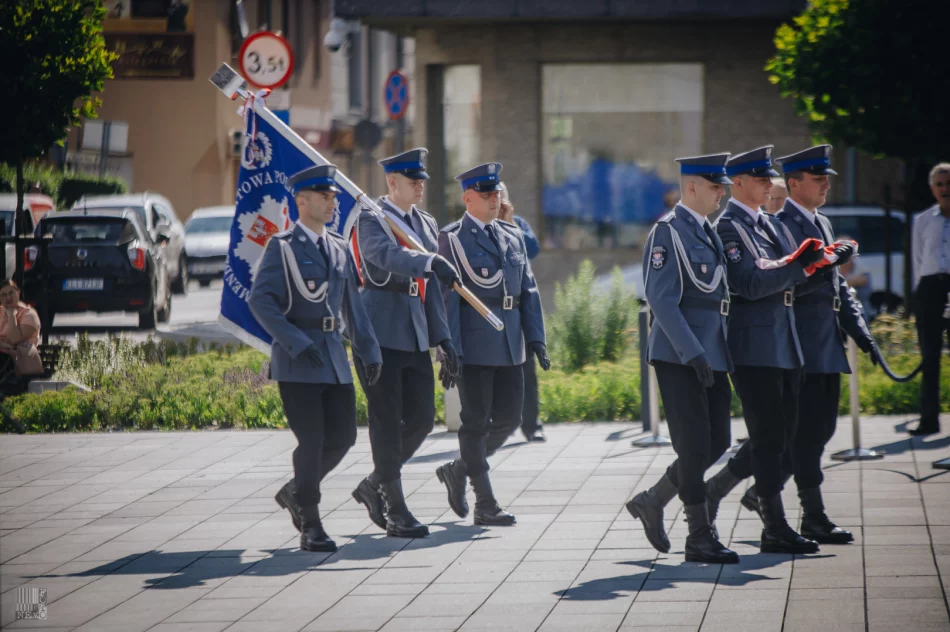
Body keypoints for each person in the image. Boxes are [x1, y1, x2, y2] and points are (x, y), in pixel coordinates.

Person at [730, 145, 875, 546]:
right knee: (797, 434)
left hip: (821, 339)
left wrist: (860, 329)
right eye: (817, 178)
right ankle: (802, 513)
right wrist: (824, 262)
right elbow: (788, 277)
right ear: (794, 183)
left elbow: (835, 286)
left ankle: (771, 501)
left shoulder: (819, 223)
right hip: (799, 340)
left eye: (826, 177)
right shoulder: (782, 223)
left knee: (818, 429)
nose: (826, 184)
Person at [249, 164, 383, 553]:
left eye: (334, 197)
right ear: (302, 201)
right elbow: (262, 302)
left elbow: (353, 309)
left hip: (333, 357)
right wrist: (293, 341)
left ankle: (296, 490)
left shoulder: (339, 246)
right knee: (310, 440)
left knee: (343, 437)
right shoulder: (283, 246)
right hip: (298, 359)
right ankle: (311, 522)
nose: (332, 203)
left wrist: (369, 352)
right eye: (325, 197)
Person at [704, 145, 829, 555]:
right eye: (759, 179)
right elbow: (751, 284)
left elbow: (789, 278)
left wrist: (820, 264)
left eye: (766, 178)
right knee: (769, 436)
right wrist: (800, 266)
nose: (765, 184)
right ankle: (774, 527)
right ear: (737, 183)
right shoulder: (730, 228)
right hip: (753, 343)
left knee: (787, 432)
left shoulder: (767, 226)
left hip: (783, 340)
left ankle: (757, 513)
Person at [626, 153, 738, 564]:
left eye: (723, 186)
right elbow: (662, 300)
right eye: (715, 186)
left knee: (718, 441)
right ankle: (699, 535)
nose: (722, 193)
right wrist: (692, 352)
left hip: (713, 352)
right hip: (680, 354)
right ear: (691, 188)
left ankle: (653, 500)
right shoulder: (668, 232)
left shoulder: (707, 231)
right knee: (693, 446)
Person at [349, 148, 462, 538]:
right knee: (384, 421)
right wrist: (429, 262)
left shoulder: (425, 223)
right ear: (392, 183)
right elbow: (386, 258)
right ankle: (395, 508)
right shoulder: (371, 220)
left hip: (413, 334)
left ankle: (374, 483)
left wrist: (442, 338)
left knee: (420, 419)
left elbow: (429, 288)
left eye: (422, 181)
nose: (420, 187)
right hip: (377, 334)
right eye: (412, 181)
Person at [435, 162, 549, 526]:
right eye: (487, 194)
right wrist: (447, 347)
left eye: (497, 192)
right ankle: (485, 503)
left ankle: (459, 469)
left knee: (510, 418)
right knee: (475, 424)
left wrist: (536, 338)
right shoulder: (451, 239)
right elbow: (447, 298)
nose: (495, 199)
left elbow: (528, 291)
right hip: (474, 344)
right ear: (468, 198)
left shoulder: (511, 235)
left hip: (510, 343)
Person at [497, 182, 544, 442]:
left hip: (518, 307)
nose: (498, 202)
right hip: (492, 308)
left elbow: (533, 249)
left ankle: (531, 424)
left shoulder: (518, 224)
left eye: (502, 196)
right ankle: (499, 423)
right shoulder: (477, 227)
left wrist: (510, 221)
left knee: (527, 368)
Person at [910, 162, 950, 436]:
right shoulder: (922, 220)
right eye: (940, 184)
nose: (945, 189)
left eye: (948, 184)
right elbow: (917, 259)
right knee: (930, 356)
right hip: (930, 289)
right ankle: (928, 420)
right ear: (932, 188)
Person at [0, 280, 43, 378]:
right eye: (3, 295)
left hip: (17, 359)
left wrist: (11, 316)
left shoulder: (29, 315)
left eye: (11, 293)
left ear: (18, 293)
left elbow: (14, 340)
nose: (8, 298)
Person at [836, 234, 874, 319]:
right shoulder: (831, 270)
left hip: (859, 314)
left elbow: (864, 295)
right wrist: (853, 282)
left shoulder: (863, 270)